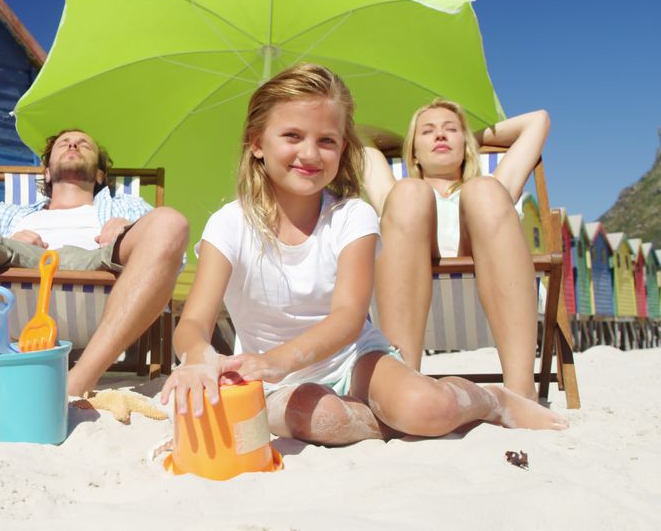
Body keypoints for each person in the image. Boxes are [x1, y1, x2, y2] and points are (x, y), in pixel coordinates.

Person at [160, 63, 566, 446]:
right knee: (317, 418)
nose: (310, 153)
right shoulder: (229, 224)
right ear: (257, 144)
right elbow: (195, 319)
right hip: (271, 377)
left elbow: (349, 317)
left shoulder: (352, 215)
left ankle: (493, 399)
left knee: (429, 407)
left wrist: (275, 361)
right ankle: (381, 418)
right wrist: (197, 356)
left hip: (354, 357)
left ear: (343, 149)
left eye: (327, 141)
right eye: (291, 136)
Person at [0, 129, 189, 397]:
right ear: (46, 172)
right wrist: (9, 238)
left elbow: (173, 257)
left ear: (99, 175)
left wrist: (129, 229)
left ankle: (79, 380)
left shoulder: (126, 207)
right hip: (22, 258)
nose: (73, 144)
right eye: (64, 143)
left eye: (84, 144)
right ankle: (7, 363)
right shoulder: (11, 212)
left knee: (171, 222)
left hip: (97, 258)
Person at [363, 101, 551, 402]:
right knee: (410, 193)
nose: (440, 136)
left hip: (486, 292)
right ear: (412, 150)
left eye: (450, 130)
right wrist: (414, 139)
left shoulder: (495, 185)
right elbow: (357, 132)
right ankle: (402, 389)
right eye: (428, 132)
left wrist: (465, 138)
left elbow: (537, 120)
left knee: (484, 190)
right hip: (409, 293)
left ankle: (520, 393)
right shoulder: (394, 192)